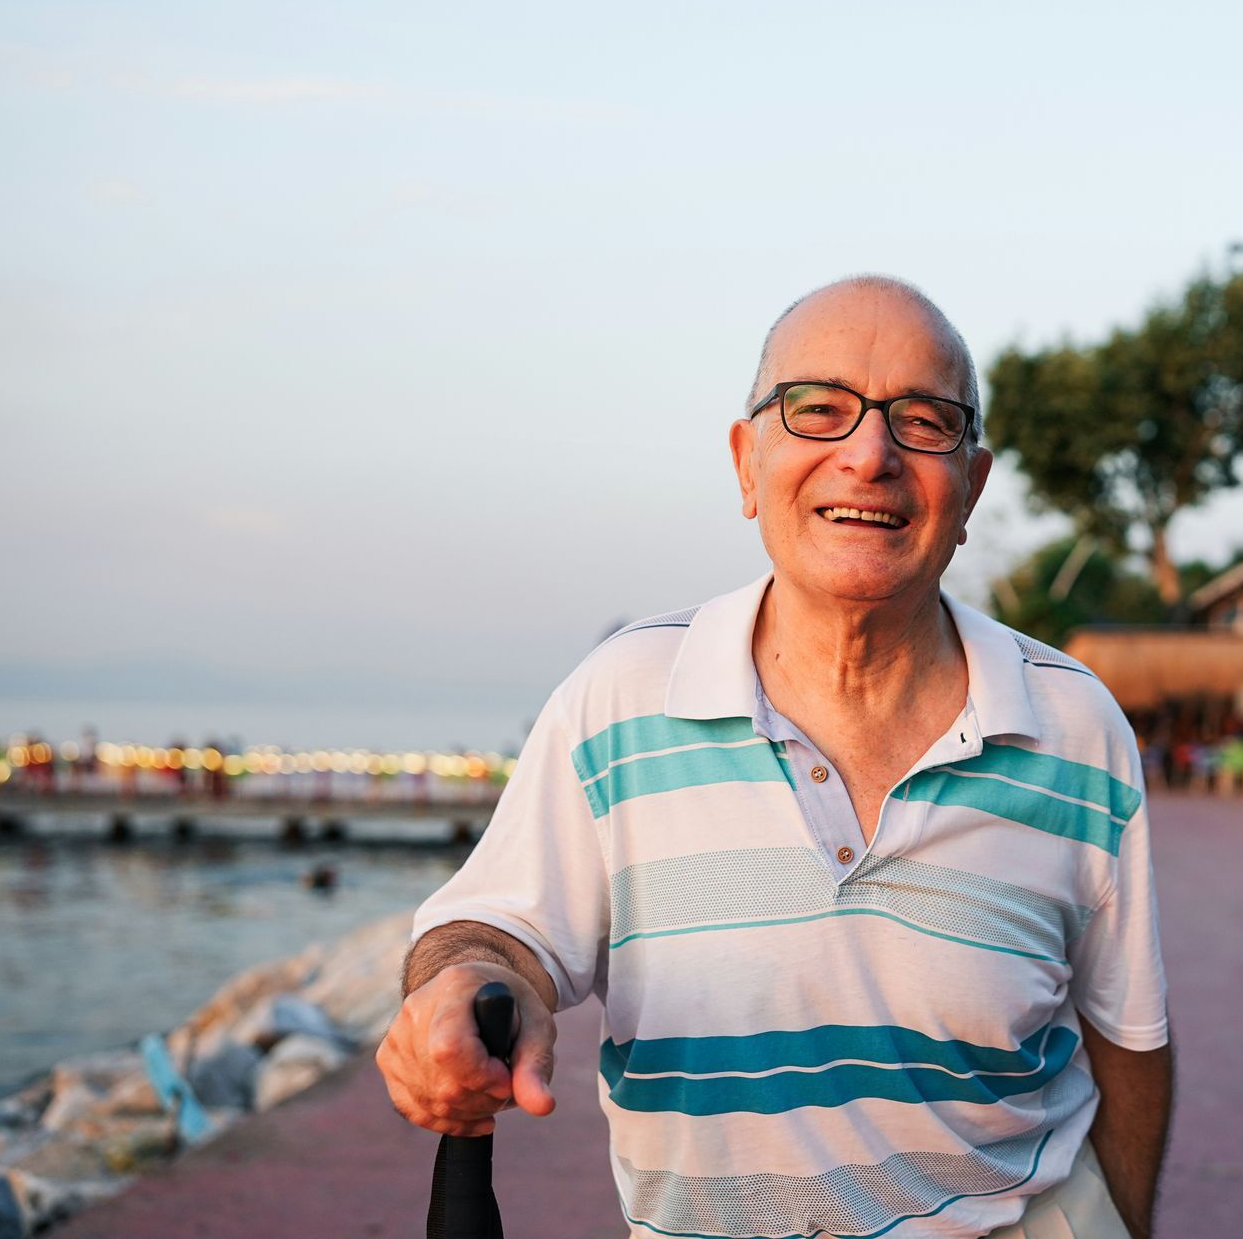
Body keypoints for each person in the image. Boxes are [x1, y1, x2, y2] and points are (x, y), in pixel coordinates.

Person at [376, 277, 1173, 1239]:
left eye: (924, 422)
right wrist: (460, 984)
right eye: (819, 411)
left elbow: (1127, 1034)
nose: (869, 455)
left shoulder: (1074, 723)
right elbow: (494, 931)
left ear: (972, 486)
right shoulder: (622, 696)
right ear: (747, 463)